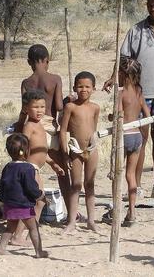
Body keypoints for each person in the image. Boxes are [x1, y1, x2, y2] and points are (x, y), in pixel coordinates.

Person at [103, 0, 154, 198]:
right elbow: (124, 59)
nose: (153, 10)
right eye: (150, 6)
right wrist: (114, 78)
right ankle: (136, 186)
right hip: (140, 94)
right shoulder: (136, 31)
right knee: (140, 139)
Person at [14, 44, 70, 220]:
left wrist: (19, 128)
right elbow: (59, 106)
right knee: (62, 173)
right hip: (49, 128)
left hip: (32, 126)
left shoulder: (26, 83)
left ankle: (24, 212)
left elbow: (24, 108)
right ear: (47, 61)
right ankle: (71, 213)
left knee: (30, 170)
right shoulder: (55, 79)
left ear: (29, 62)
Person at [11, 89, 63, 245]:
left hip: (36, 169)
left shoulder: (39, 125)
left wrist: (53, 164)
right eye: (36, 107)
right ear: (26, 108)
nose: (40, 110)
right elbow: (24, 146)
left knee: (39, 202)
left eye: (42, 107)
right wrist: (21, 161)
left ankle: (29, 235)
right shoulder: (29, 126)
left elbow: (40, 150)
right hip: (30, 169)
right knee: (34, 202)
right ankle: (18, 236)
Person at [108, 57, 150, 226]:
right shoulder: (139, 91)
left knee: (116, 174)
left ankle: (116, 209)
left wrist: (111, 117)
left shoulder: (120, 93)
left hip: (123, 136)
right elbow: (147, 114)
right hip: (136, 136)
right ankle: (132, 211)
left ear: (122, 74)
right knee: (130, 175)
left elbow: (118, 116)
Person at [0, 133, 49, 258]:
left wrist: (2, 200)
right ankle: (38, 252)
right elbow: (31, 188)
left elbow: (2, 185)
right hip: (23, 205)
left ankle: (1, 249)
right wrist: (40, 196)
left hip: (9, 204)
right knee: (33, 227)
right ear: (25, 151)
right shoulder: (27, 168)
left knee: (10, 228)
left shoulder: (7, 167)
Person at [60, 71, 100, 232]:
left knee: (90, 184)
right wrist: (65, 153)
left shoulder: (95, 108)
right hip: (75, 150)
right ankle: (71, 221)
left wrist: (92, 144)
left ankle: (91, 221)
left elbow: (94, 129)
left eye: (87, 87)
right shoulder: (70, 107)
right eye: (80, 86)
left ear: (93, 89)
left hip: (91, 149)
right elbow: (63, 131)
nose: (84, 90)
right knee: (75, 185)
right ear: (75, 88)